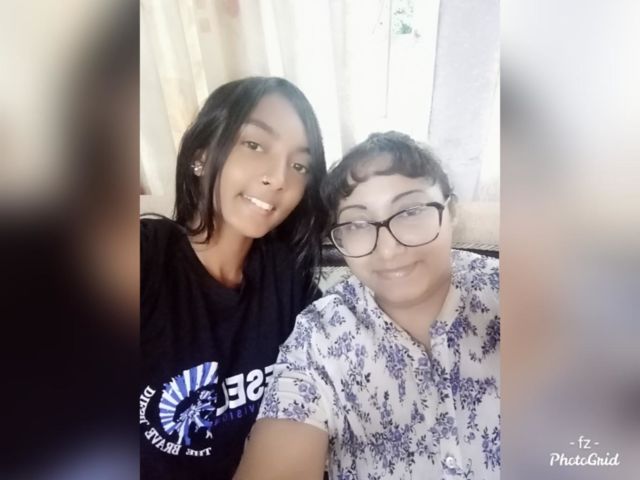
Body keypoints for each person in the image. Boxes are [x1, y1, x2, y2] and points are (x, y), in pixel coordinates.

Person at [235, 131, 500, 479]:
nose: (388, 250)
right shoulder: (321, 335)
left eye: (410, 211)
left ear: (449, 212)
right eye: (357, 224)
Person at [140, 77, 327, 479]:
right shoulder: (146, 256)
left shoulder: (287, 278)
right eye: (255, 145)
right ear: (201, 155)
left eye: (299, 166)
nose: (279, 178)